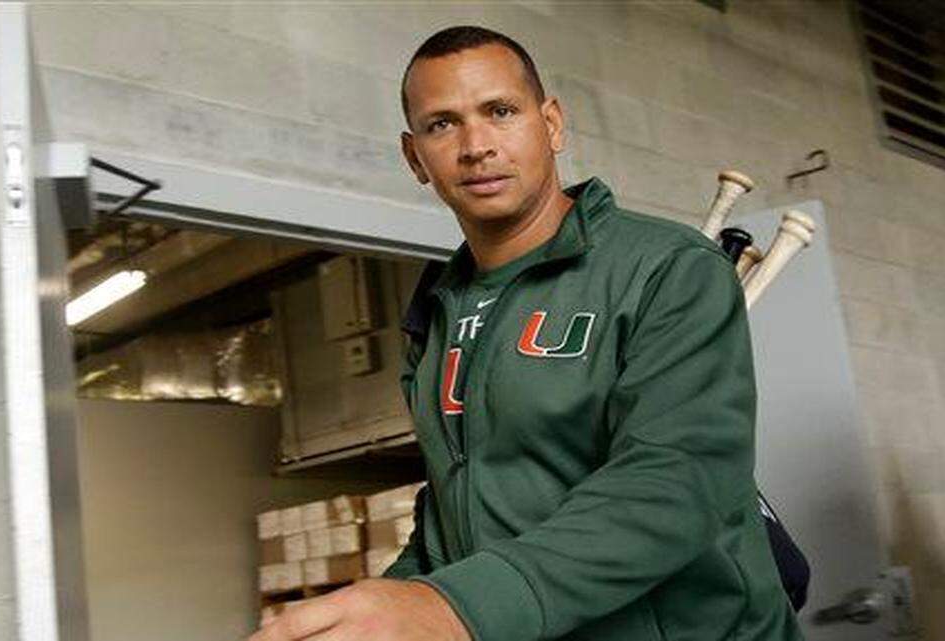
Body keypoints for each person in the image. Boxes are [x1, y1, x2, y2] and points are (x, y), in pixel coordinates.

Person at [248, 25, 803, 641]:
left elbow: (673, 483)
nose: (476, 145)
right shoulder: (439, 311)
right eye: (442, 124)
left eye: (500, 111)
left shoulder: (668, 269)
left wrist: (453, 610)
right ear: (414, 158)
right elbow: (455, 511)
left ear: (553, 125)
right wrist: (391, 601)